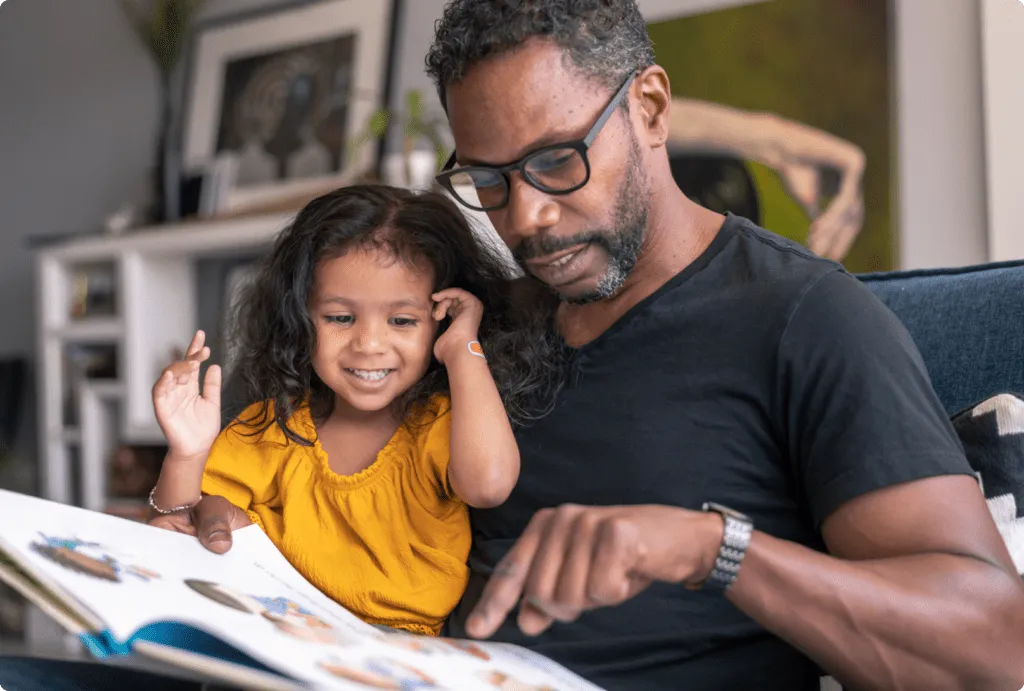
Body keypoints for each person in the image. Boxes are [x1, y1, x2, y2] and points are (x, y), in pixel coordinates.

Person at [3, 2, 1023, 691]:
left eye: (555, 162)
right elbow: (345, 481)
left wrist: (711, 547)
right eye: (486, 179)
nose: (526, 219)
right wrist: (208, 520)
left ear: (652, 109)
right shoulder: (478, 313)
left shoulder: (804, 320)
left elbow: (995, 643)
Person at [146, 184, 546, 637]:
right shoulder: (272, 427)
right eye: (340, 318)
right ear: (300, 319)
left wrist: (463, 349)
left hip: (398, 651)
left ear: (441, 321)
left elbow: (489, 486)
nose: (370, 344)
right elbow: (176, 526)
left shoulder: (438, 425)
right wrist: (187, 453)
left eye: (402, 321)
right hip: (277, 632)